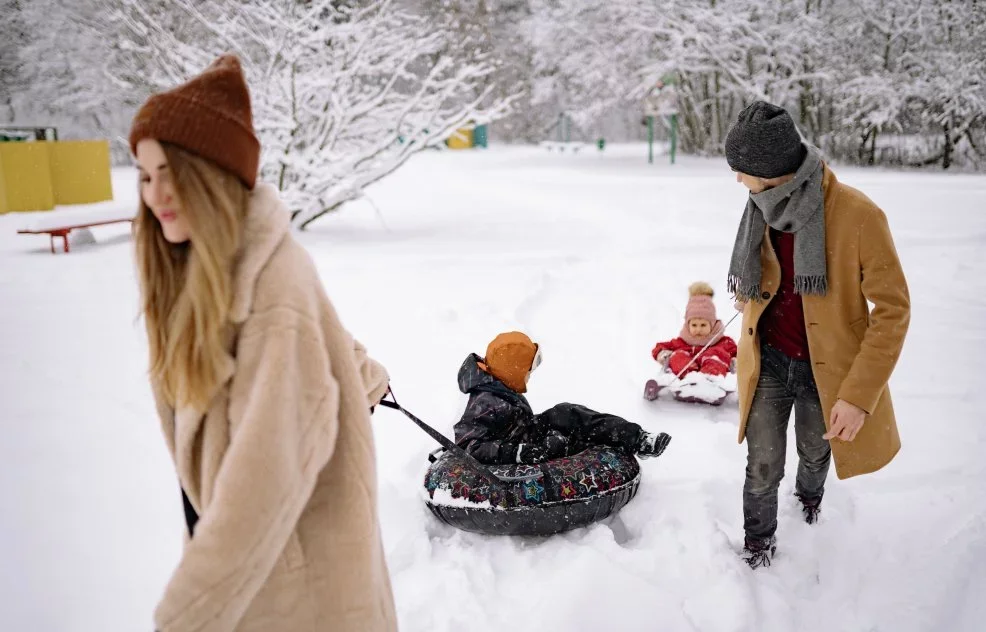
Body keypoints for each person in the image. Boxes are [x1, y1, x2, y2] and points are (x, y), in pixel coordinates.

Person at [131, 55, 397, 631]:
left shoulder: (273, 282)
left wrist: (185, 618)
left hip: (295, 587)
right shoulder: (217, 265)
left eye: (170, 171)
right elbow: (323, 336)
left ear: (210, 172)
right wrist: (365, 375)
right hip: (257, 572)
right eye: (144, 175)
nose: (155, 194)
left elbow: (264, 482)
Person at [725, 101, 910, 568]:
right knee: (761, 466)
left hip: (827, 371)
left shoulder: (858, 215)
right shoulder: (760, 206)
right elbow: (771, 275)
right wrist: (753, 297)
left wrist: (859, 396)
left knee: (814, 452)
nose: (737, 181)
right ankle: (757, 548)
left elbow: (893, 311)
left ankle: (809, 504)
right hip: (769, 358)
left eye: (742, 170)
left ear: (773, 172)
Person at [454, 331, 671, 464]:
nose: (530, 375)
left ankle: (637, 438)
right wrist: (520, 452)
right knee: (562, 443)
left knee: (566, 413)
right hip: (514, 449)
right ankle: (605, 444)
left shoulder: (499, 384)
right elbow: (467, 446)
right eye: (528, 369)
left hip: (525, 433)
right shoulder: (484, 402)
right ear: (513, 370)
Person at [650, 281, 738, 377]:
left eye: (703, 325)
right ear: (688, 325)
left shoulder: (724, 342)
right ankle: (690, 380)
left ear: (712, 325)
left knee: (717, 354)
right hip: (685, 383)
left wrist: (737, 360)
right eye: (694, 325)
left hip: (714, 383)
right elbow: (659, 347)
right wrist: (662, 353)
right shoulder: (681, 342)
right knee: (678, 355)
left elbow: (740, 353)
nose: (698, 329)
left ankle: (708, 380)